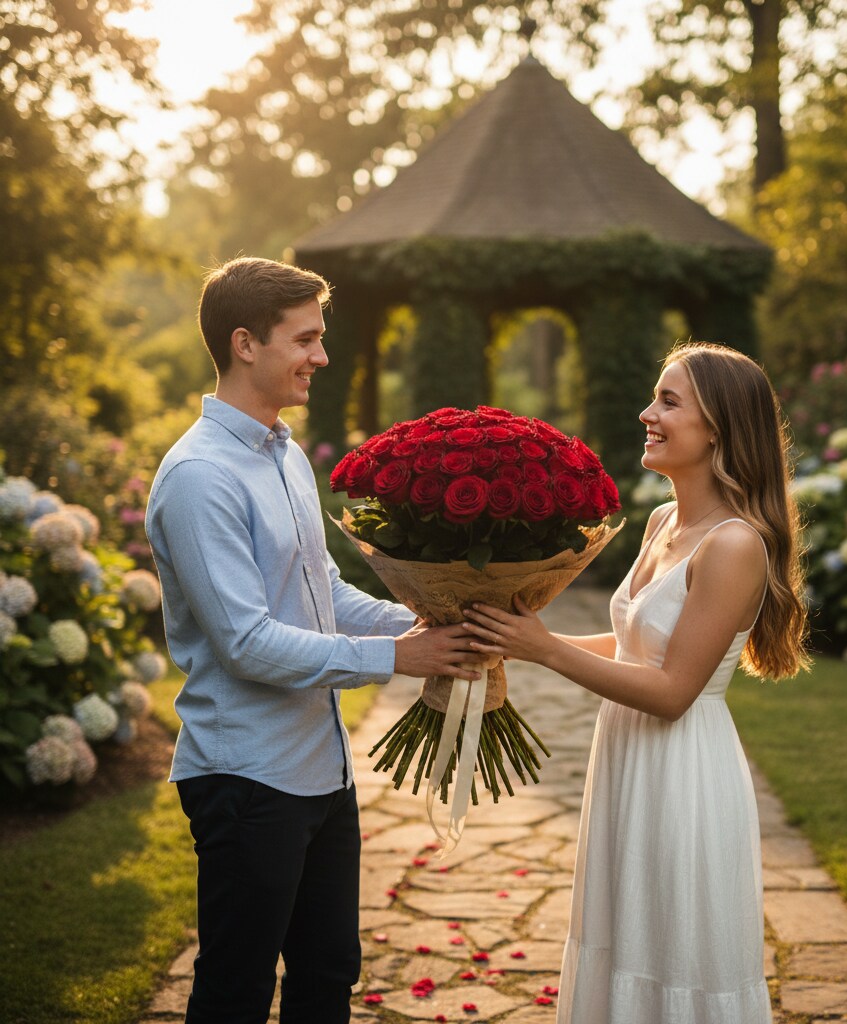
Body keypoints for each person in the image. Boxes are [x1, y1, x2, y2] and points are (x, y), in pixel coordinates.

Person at [145, 256, 483, 1024]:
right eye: (306, 339)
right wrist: (398, 658)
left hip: (322, 774)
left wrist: (429, 624)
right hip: (246, 779)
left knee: (327, 977)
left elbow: (322, 595)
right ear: (245, 344)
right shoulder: (200, 477)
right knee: (234, 990)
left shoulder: (287, 454)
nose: (322, 357)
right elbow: (247, 644)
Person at [464, 340, 810, 1024]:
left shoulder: (735, 544)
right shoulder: (662, 522)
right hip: (625, 760)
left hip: (682, 772)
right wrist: (524, 640)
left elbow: (674, 690)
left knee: (673, 955)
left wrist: (545, 651)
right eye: (656, 397)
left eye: (669, 401)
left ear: (719, 427)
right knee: (620, 941)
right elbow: (635, 643)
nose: (646, 412)